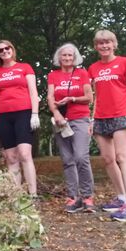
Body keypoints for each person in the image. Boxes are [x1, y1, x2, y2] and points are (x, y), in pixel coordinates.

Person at [88, 30, 126, 222]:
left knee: (123, 157)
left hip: (121, 115)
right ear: (96, 46)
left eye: (107, 42)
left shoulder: (124, 63)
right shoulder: (93, 68)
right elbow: (95, 95)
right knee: (108, 159)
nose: (104, 46)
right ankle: (121, 197)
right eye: (100, 43)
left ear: (114, 44)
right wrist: (91, 119)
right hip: (100, 118)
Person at [0, 40, 40, 196]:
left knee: (24, 153)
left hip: (24, 113)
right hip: (3, 117)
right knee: (11, 157)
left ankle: (33, 194)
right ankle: (17, 196)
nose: (4, 51)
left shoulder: (25, 67)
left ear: (12, 49)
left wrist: (35, 114)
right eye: (0, 50)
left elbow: (33, 92)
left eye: (7, 48)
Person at [47, 43, 95, 213]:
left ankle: (87, 197)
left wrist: (72, 99)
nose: (67, 58)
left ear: (75, 58)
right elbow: (50, 97)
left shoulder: (82, 73)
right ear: (58, 58)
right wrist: (56, 114)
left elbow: (89, 97)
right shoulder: (53, 75)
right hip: (61, 121)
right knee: (68, 160)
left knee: (81, 157)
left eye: (70, 56)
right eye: (64, 55)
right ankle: (72, 197)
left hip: (80, 118)